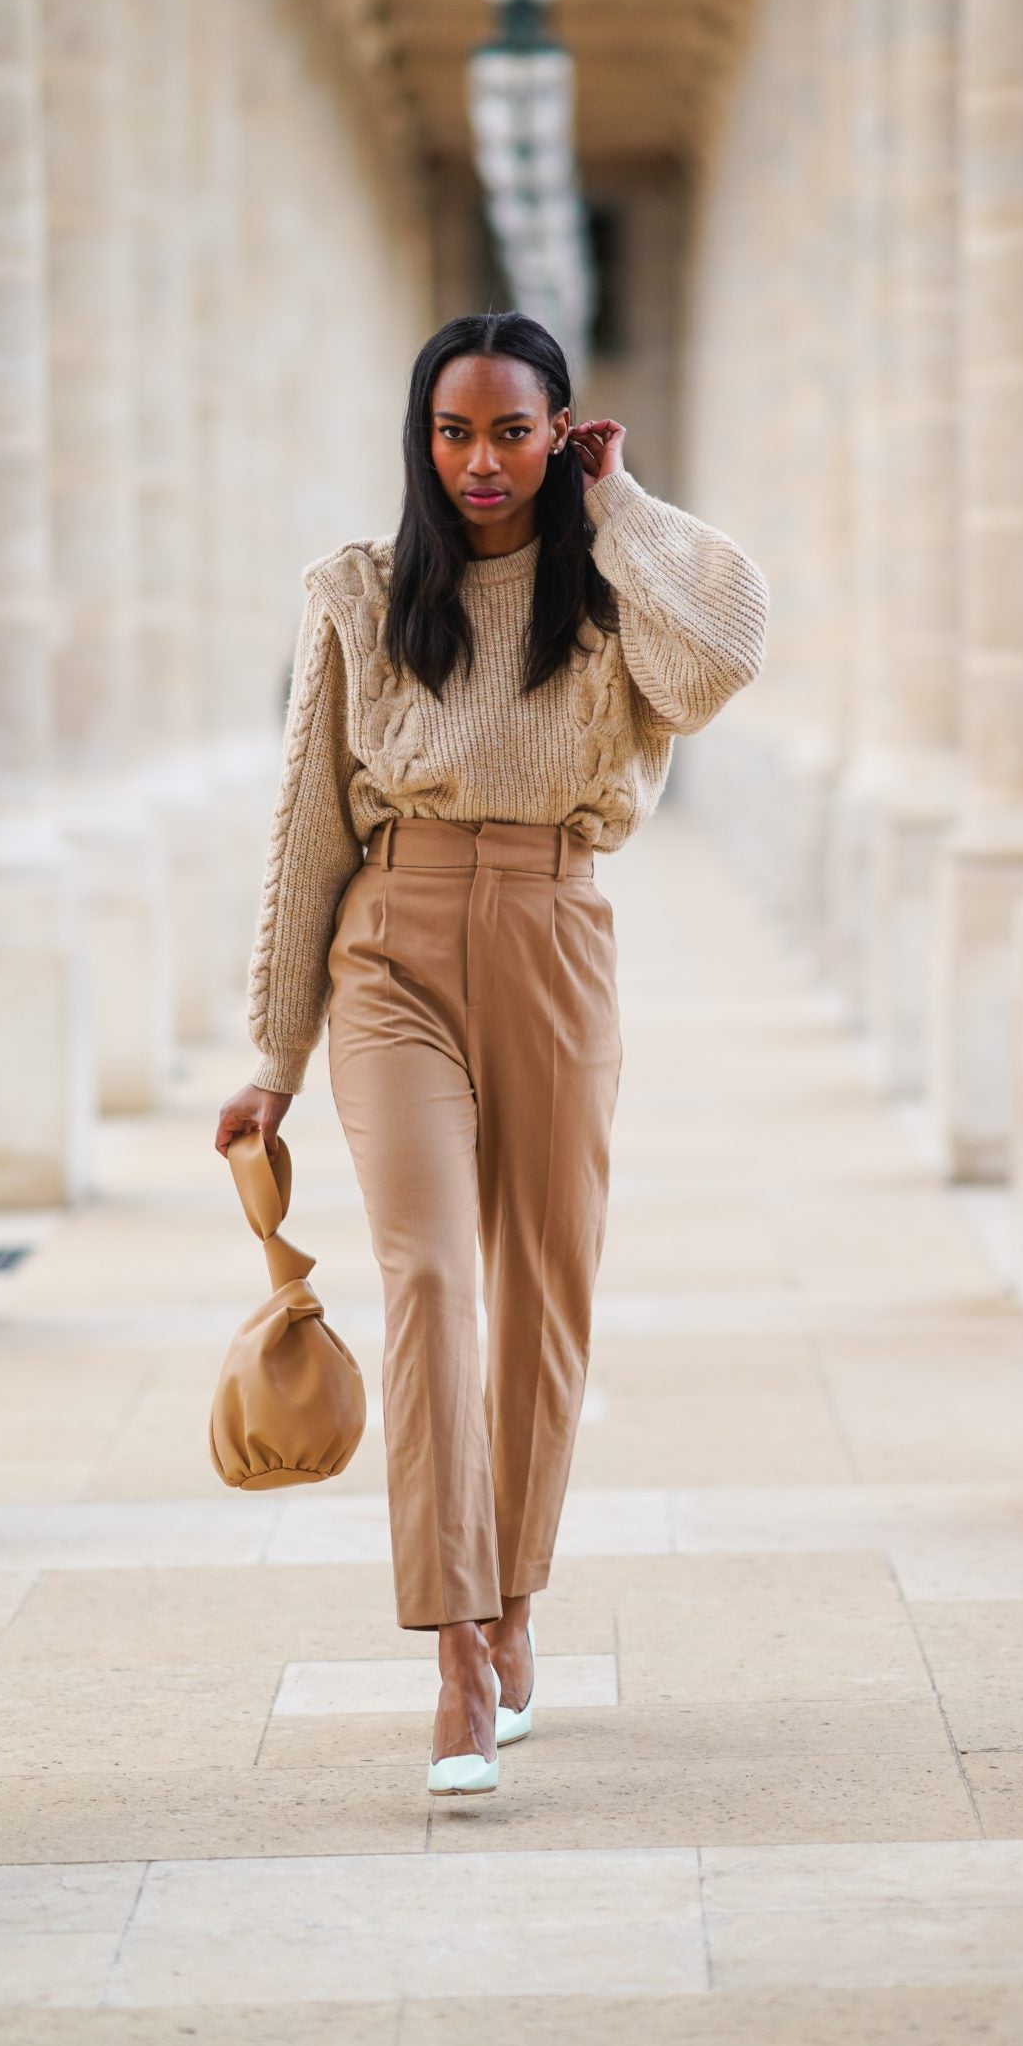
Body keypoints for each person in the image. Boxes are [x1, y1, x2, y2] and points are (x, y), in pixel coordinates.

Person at [216, 311, 767, 1793]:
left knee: (543, 1290)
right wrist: (274, 1052)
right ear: (421, 439)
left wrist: (621, 508)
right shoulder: (358, 592)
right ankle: (456, 1649)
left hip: (551, 933)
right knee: (431, 1278)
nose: (478, 460)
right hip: (388, 947)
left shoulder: (611, 596)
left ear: (560, 434)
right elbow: (307, 822)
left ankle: (519, 1604)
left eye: (511, 431)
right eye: (453, 431)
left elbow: (719, 663)